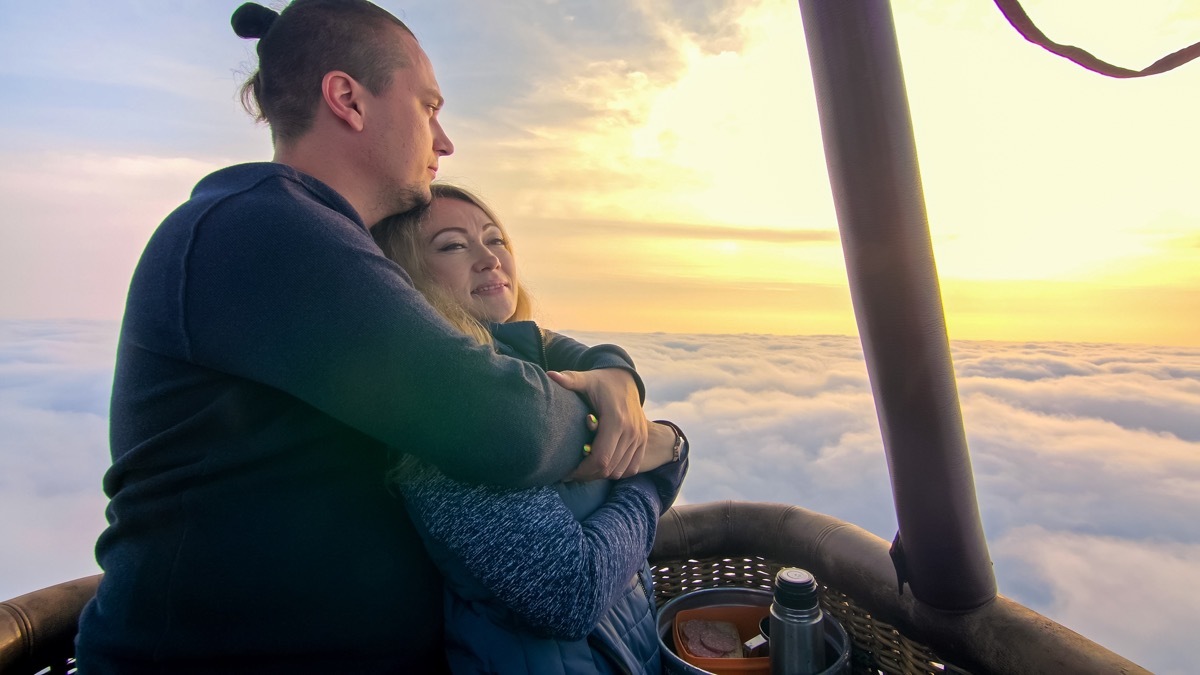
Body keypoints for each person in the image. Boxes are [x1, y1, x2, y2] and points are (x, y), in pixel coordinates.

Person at [75, 2, 670, 673]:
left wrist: (613, 372)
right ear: (348, 99)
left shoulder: (327, 256)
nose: (444, 142)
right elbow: (506, 425)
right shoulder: (261, 230)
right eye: (427, 107)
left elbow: (514, 340)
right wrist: (646, 447)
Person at [373, 183, 689, 673]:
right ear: (406, 280)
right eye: (454, 245)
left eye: (496, 239)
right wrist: (654, 473)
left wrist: (625, 387)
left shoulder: (532, 380)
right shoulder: (448, 413)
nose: (489, 258)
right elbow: (569, 593)